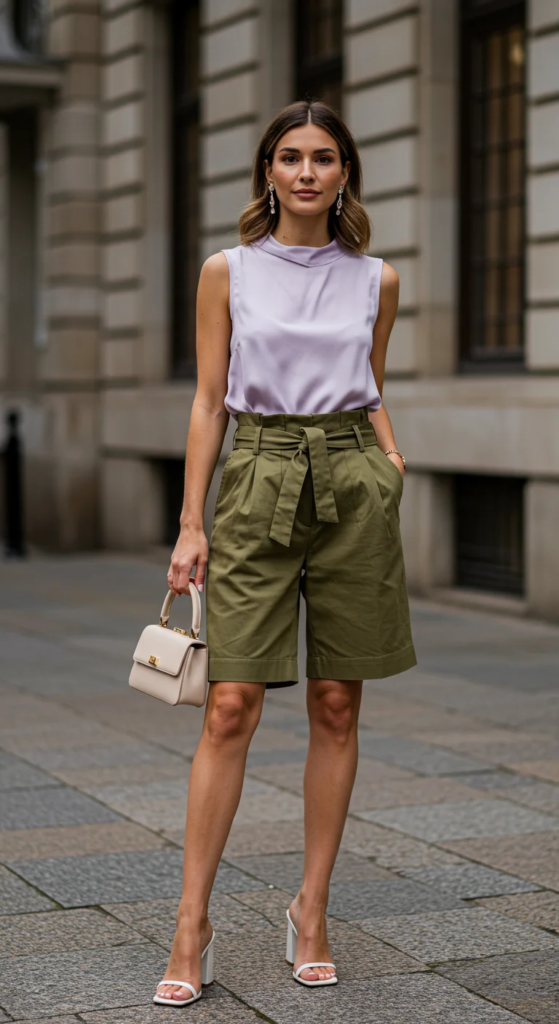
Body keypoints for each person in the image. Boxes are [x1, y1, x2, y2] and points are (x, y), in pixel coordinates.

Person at [154, 100, 417, 1007]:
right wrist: (191, 523)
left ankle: (311, 910)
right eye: (290, 157)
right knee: (228, 702)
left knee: (337, 699)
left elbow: (371, 380)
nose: (306, 172)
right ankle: (193, 922)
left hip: (350, 475)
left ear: (346, 174)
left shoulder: (376, 277)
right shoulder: (227, 270)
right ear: (267, 171)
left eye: (324, 158)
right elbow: (207, 402)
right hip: (258, 469)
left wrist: (385, 456)